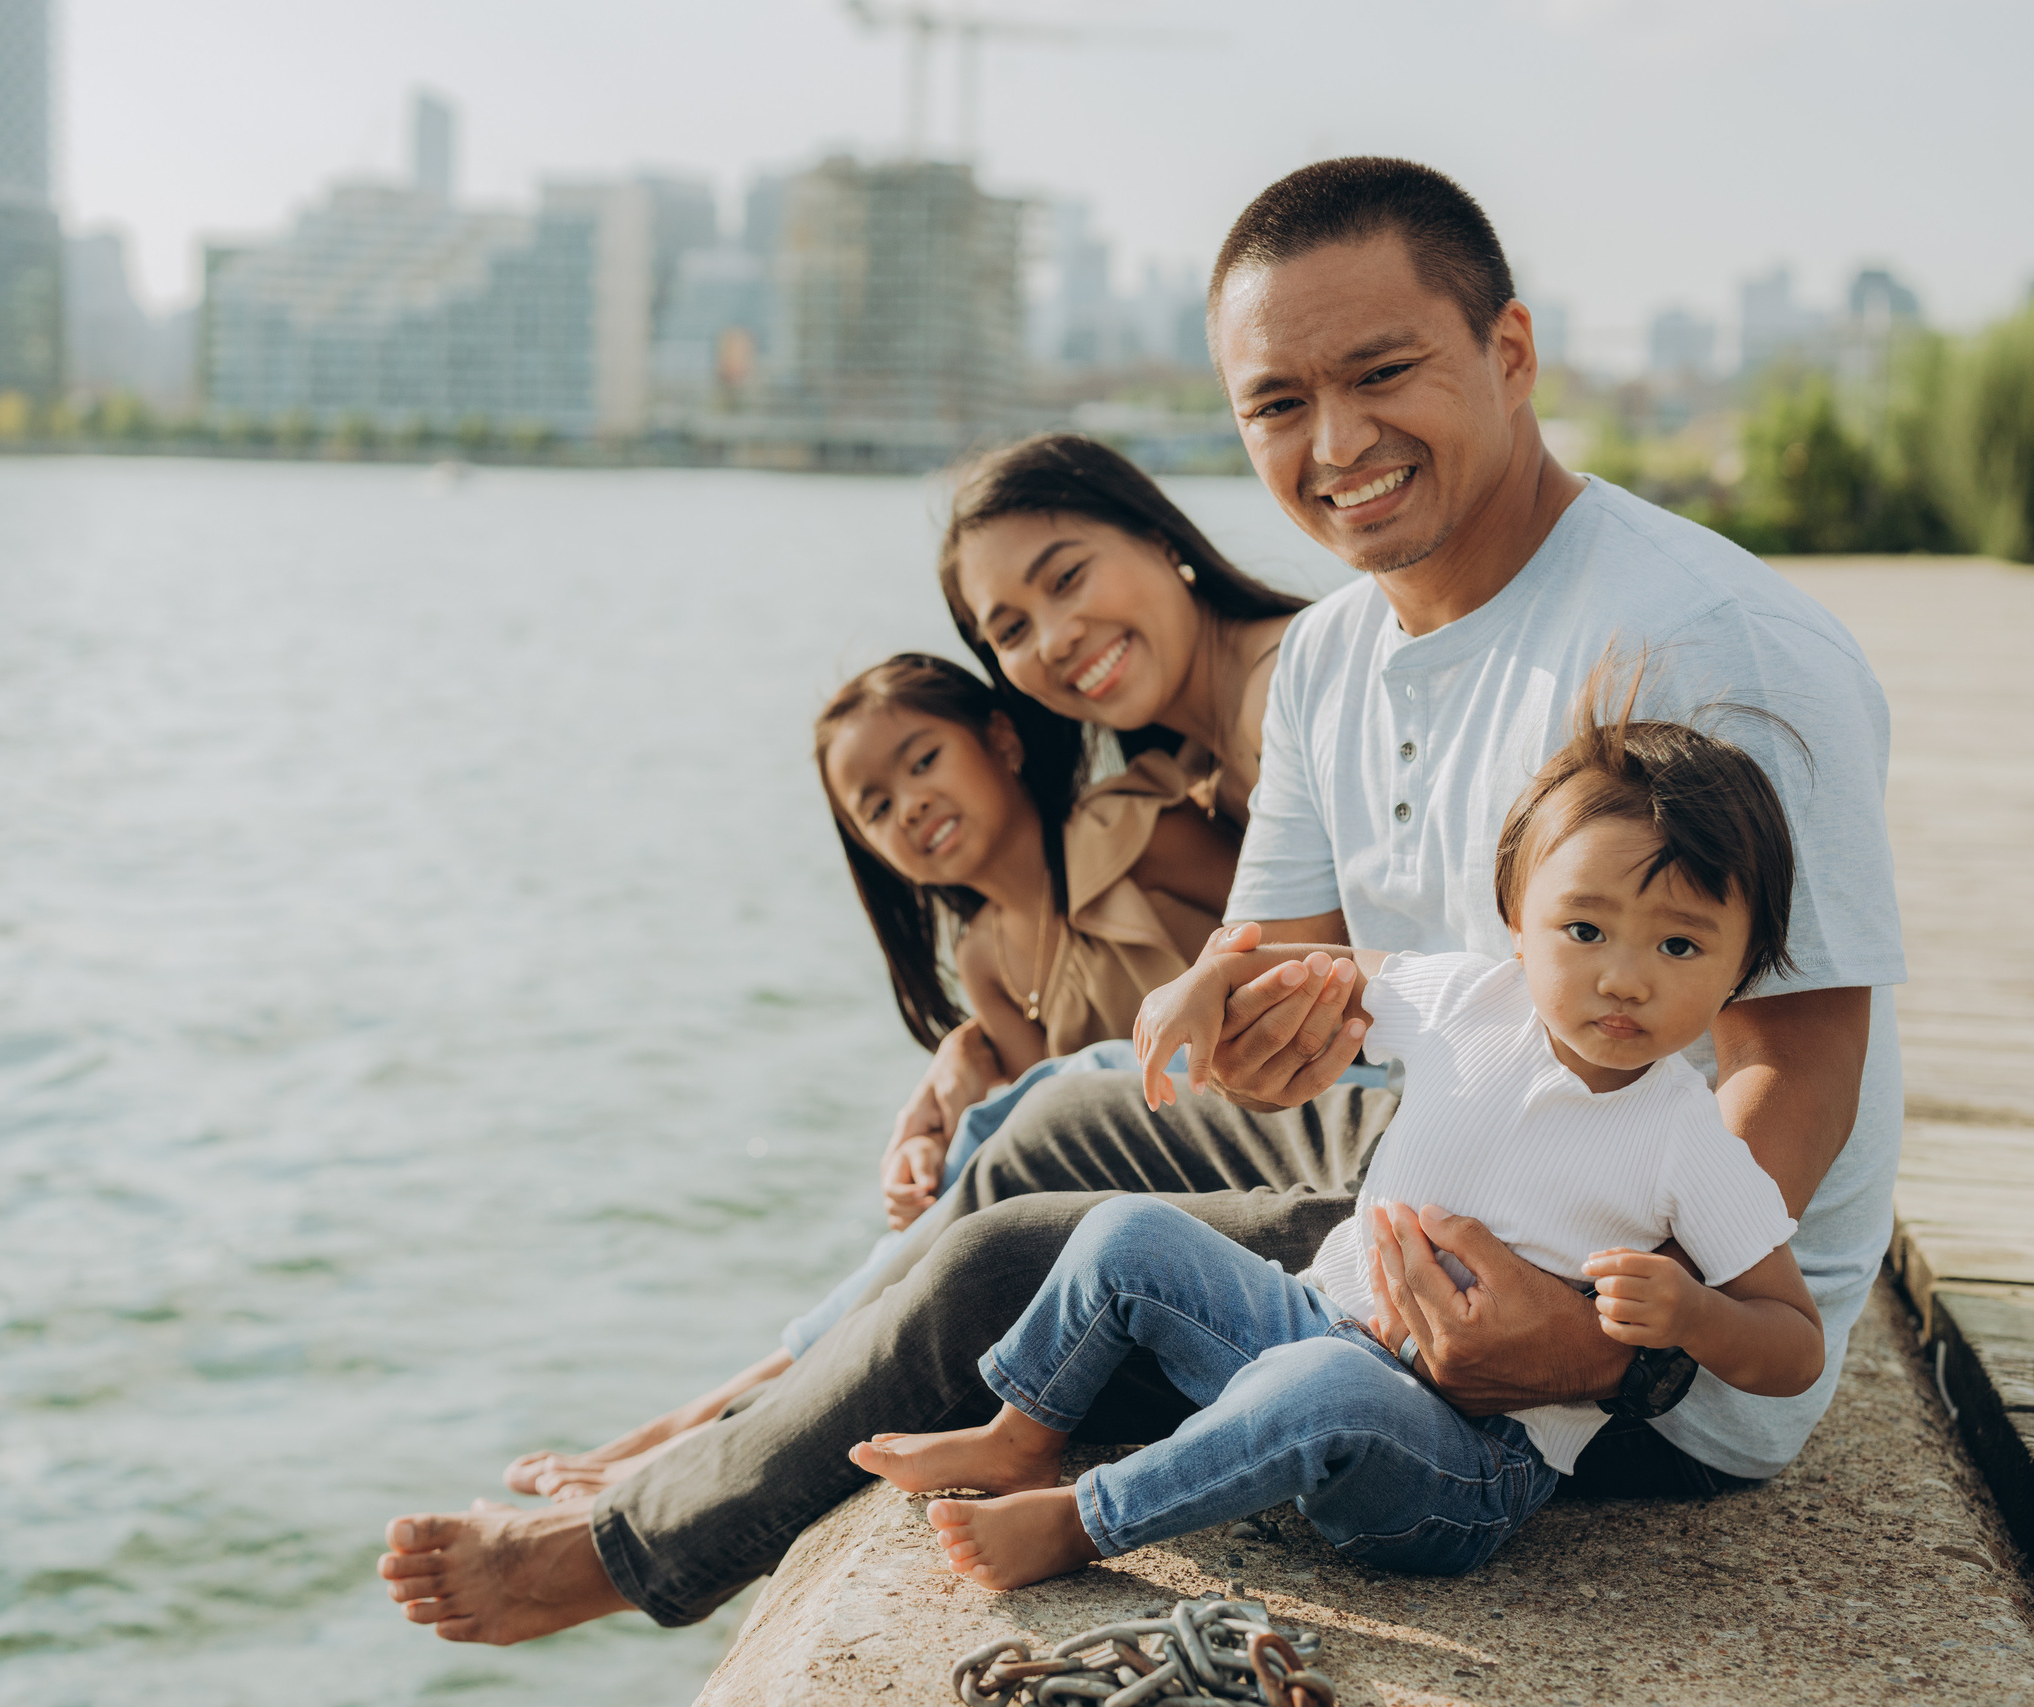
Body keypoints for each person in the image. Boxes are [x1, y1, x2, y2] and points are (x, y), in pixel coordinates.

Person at [380, 156, 1901, 1646]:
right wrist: (1217, 1011)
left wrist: (1598, 1345)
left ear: (1510, 352)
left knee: (1014, 1257)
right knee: (1050, 1114)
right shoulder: (1331, 654)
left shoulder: (1711, 644)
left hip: (1629, 1339)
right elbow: (1277, 963)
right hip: (1449, 1166)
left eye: (1384, 371)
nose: (1337, 441)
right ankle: (727, 1408)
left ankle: (617, 1552)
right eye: (1277, 404)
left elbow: (1796, 1058)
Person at [851, 670, 1826, 1587]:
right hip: (1321, 1323)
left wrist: (1696, 1317)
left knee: (1324, 1387)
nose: (1623, 975)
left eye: (1679, 943)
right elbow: (1312, 966)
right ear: (1517, 920)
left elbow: (1791, 1345)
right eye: (1584, 929)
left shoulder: (1685, 1138)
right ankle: (1022, 1434)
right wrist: (1210, 982)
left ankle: (1083, 1522)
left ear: (1741, 969)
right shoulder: (1464, 998)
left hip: (1469, 1464)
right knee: (1126, 1231)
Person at [503, 442, 1310, 1502]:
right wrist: (957, 1072)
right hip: (1166, 1183)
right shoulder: (983, 964)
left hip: (1272, 1123)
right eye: (874, 809)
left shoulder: (1136, 822)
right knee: (986, 1165)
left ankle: (713, 1421)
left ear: (1000, 743)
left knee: (1010, 1126)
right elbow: (1036, 1161)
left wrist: (970, 1097)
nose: (911, 806)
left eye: (923, 763)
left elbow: (1276, 936)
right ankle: (733, 1409)